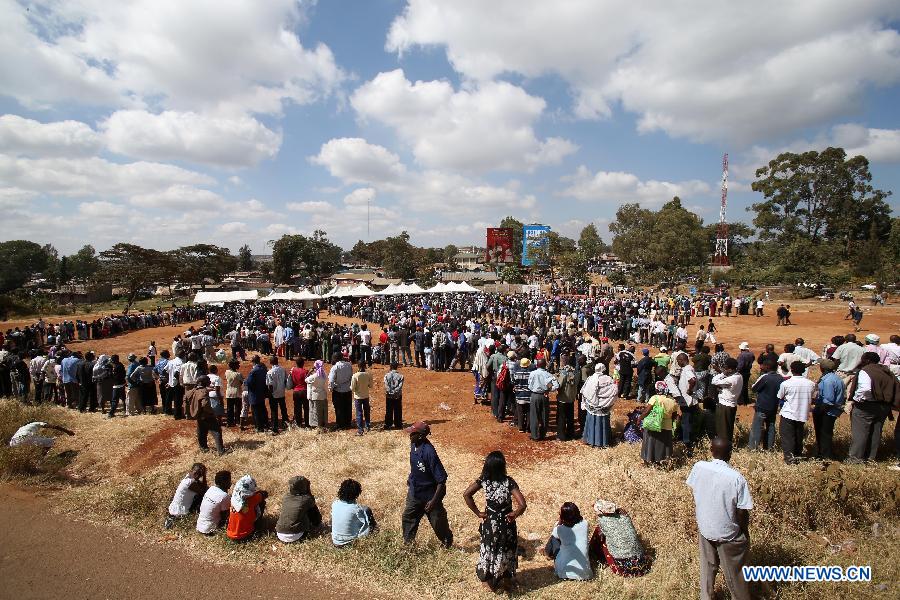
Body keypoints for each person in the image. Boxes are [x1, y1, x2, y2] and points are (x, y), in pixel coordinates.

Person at [686, 438, 753, 600]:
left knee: (708, 567)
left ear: (711, 450)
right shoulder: (736, 479)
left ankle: (706, 596)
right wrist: (744, 533)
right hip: (728, 534)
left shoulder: (698, 467)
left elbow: (695, 488)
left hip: (705, 527)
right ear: (730, 454)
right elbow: (742, 513)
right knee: (736, 574)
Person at [462, 451, 527, 591]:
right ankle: (507, 578)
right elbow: (522, 505)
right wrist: (514, 514)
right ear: (503, 466)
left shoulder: (483, 480)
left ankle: (488, 579)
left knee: (490, 549)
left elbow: (466, 494)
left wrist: (478, 513)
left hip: (490, 523)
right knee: (506, 549)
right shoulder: (508, 482)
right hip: (506, 524)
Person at [403, 421, 453, 547]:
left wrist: (433, 501)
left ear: (420, 436)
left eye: (412, 433)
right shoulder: (414, 445)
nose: (410, 436)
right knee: (408, 518)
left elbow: (441, 481)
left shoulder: (429, 452)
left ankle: (447, 542)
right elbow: (415, 466)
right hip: (415, 492)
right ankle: (408, 546)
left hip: (430, 496)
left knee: (438, 523)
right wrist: (411, 477)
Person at [847, 351, 899, 463]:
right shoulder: (886, 371)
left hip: (866, 405)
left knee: (860, 432)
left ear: (867, 361)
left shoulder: (865, 371)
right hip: (884, 407)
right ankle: (870, 458)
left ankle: (855, 459)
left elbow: (865, 389)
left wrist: (857, 399)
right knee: (876, 432)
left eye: (863, 359)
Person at [588, 499, 651, 577]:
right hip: (642, 563)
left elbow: (601, 534)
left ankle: (594, 555)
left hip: (625, 567)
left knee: (601, 537)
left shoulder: (603, 520)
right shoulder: (625, 516)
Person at [777, 361, 815, 464]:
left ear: (791, 370)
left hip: (788, 413)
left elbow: (780, 396)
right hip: (802, 413)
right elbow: (814, 397)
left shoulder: (786, 383)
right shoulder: (811, 384)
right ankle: (798, 454)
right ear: (803, 370)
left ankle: (789, 457)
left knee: (787, 436)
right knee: (799, 434)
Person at [543, 502, 592, 581]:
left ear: (563, 517)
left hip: (565, 572)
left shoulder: (560, 529)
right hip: (585, 573)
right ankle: (547, 553)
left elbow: (554, 533)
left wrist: (559, 521)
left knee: (554, 539)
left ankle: (547, 553)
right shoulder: (585, 524)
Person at [638, 380, 678, 464]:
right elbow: (674, 415)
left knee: (651, 443)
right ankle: (663, 461)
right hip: (667, 426)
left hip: (654, 424)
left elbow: (646, 411)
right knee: (664, 445)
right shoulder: (672, 400)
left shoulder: (655, 398)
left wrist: (639, 419)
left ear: (657, 389)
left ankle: (649, 460)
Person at [812, 359, 845, 460]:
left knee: (824, 433)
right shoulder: (837, 378)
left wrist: (819, 411)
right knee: (827, 433)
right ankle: (825, 453)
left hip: (827, 411)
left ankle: (825, 455)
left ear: (822, 368)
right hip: (833, 410)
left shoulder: (827, 381)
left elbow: (828, 400)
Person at [276, 475, 322, 543]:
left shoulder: (286, 497)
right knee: (312, 509)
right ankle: (317, 526)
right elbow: (315, 512)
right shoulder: (306, 499)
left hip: (279, 533)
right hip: (296, 536)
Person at [579, 363, 617, 448]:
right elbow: (613, 390)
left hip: (592, 406)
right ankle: (603, 441)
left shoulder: (591, 379)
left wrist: (593, 401)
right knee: (603, 423)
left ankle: (591, 440)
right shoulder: (608, 379)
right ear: (603, 369)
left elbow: (586, 392)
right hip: (604, 406)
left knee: (592, 422)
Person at [747, 359, 781, 451]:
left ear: (768, 367)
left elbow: (754, 388)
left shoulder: (765, 377)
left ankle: (753, 447)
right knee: (771, 426)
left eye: (764, 365)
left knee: (757, 427)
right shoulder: (780, 378)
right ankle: (769, 447)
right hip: (773, 406)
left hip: (762, 406)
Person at [331, 478, 376, 547]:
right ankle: (376, 533)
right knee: (367, 510)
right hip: (350, 543)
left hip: (335, 541)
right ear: (357, 493)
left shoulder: (334, 504)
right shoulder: (357, 509)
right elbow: (365, 528)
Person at [186, 375, 225, 455]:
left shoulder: (193, 391)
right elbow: (205, 404)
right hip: (207, 415)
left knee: (201, 431)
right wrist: (211, 412)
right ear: (203, 382)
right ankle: (221, 451)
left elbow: (186, 398)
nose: (210, 382)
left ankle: (203, 448)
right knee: (217, 431)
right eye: (208, 381)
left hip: (198, 415)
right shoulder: (204, 391)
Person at [226, 475, 268, 541]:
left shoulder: (233, 497)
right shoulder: (252, 499)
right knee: (262, 503)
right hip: (244, 535)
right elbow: (265, 494)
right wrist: (258, 493)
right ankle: (258, 527)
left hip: (230, 532)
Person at [710, 358, 742, 443]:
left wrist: (723, 373)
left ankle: (723, 448)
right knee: (728, 428)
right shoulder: (739, 376)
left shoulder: (730, 380)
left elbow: (714, 381)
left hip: (725, 406)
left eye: (725, 367)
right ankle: (727, 445)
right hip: (732, 405)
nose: (724, 369)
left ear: (730, 369)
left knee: (722, 429)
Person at [166, 463, 208, 529]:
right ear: (192, 470)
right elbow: (204, 491)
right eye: (196, 472)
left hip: (174, 509)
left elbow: (200, 485)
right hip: (181, 512)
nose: (197, 475)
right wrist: (204, 476)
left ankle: (172, 520)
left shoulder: (188, 477)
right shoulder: (190, 483)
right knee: (203, 497)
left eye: (199, 473)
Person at [527, 358, 559, 441]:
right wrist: (548, 389)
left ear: (537, 365)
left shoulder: (532, 373)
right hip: (544, 396)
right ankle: (542, 434)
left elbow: (529, 386)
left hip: (534, 395)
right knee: (544, 415)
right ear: (545, 365)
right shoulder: (548, 374)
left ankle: (535, 435)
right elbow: (556, 386)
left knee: (534, 416)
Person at [196, 470, 232, 535]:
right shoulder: (224, 496)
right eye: (229, 480)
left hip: (199, 526)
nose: (231, 483)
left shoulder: (211, 489)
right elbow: (225, 517)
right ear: (225, 482)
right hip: (210, 529)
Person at [7, 421, 74, 453]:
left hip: (13, 442)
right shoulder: (37, 423)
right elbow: (55, 426)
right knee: (50, 441)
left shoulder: (22, 428)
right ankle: (41, 460)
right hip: (26, 437)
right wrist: (68, 432)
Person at [555, 355, 578, 441]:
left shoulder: (563, 372)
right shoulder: (576, 372)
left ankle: (561, 436)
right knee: (570, 417)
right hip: (571, 398)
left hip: (563, 398)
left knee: (561, 417)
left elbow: (559, 385)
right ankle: (570, 434)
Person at [244, 356, 269, 433]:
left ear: (253, 362)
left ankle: (259, 427)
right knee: (262, 408)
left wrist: (245, 381)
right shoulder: (264, 369)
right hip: (262, 392)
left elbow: (249, 383)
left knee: (256, 411)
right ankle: (266, 424)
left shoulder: (253, 371)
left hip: (254, 393)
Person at [328, 353, 353, 429]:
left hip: (338, 391)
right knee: (348, 407)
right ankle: (348, 423)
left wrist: (331, 388)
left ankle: (340, 424)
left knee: (339, 408)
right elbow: (351, 377)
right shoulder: (349, 365)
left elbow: (331, 381)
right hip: (348, 390)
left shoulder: (335, 367)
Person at [266, 357, 289, 434]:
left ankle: (275, 427)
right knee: (283, 409)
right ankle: (286, 424)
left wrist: (270, 394)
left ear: (271, 363)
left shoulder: (269, 372)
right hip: (281, 392)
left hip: (274, 394)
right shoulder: (283, 369)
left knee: (274, 411)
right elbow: (286, 380)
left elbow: (270, 385)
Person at [351, 360, 372, 435]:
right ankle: (368, 426)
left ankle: (360, 429)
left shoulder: (355, 376)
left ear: (358, 366)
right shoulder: (368, 374)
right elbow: (371, 386)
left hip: (358, 397)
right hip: (366, 396)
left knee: (359, 413)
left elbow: (352, 388)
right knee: (367, 411)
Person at [305, 359, 328, 430]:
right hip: (323, 395)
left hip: (315, 396)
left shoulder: (314, 376)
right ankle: (323, 425)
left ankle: (317, 427)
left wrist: (309, 372)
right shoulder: (324, 374)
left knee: (315, 412)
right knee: (322, 411)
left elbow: (306, 380)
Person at [383, 362, 404, 430]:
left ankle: (388, 424)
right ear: (396, 367)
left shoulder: (386, 375)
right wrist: (395, 392)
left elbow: (386, 386)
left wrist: (390, 392)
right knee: (397, 409)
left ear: (390, 367)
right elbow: (400, 387)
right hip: (397, 396)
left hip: (389, 395)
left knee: (389, 410)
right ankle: (398, 425)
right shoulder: (401, 376)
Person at [289, 358, 310, 428]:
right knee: (306, 408)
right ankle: (307, 424)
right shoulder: (305, 371)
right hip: (304, 391)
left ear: (296, 363)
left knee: (297, 408)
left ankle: (299, 424)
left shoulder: (293, 371)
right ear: (303, 364)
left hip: (296, 391)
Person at [224, 360, 243, 428]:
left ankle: (229, 422)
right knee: (238, 408)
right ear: (234, 365)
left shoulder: (226, 372)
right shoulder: (238, 374)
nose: (239, 365)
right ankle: (237, 421)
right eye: (238, 364)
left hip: (229, 392)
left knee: (229, 408)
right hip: (237, 392)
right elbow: (241, 382)